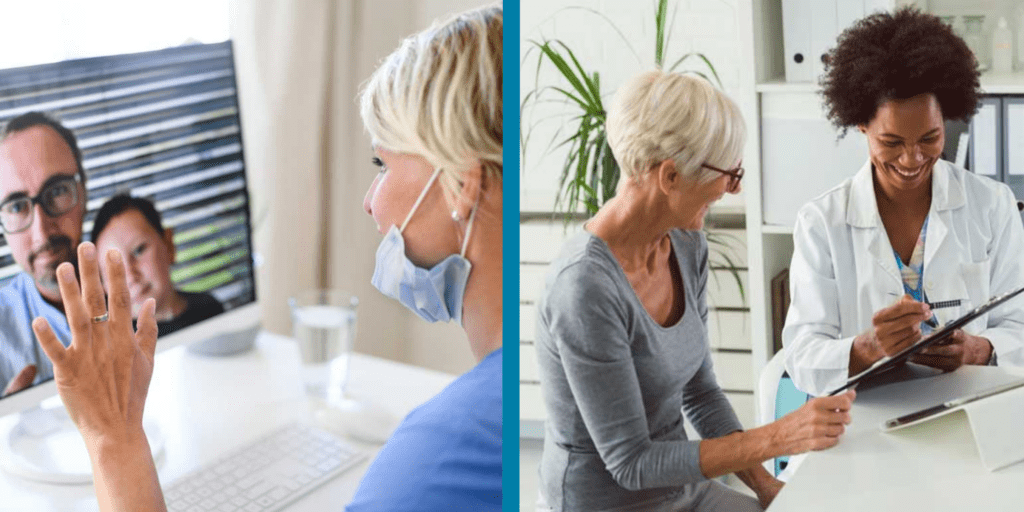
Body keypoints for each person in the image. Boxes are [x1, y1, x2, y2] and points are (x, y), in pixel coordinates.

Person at [29, 4, 502, 511]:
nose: (370, 200)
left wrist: (111, 437)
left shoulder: (440, 459)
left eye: (381, 164)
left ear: (463, 184)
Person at [535, 70, 855, 512]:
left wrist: (764, 487)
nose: (734, 188)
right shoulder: (584, 288)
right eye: (729, 173)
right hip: (607, 503)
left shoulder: (684, 244)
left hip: (681, 488)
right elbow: (631, 463)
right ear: (670, 176)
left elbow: (701, 393)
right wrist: (775, 438)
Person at [782, 7, 1024, 397]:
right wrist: (867, 348)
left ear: (948, 119)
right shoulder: (822, 223)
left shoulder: (992, 205)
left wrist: (980, 349)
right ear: (862, 124)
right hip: (865, 415)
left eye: (929, 138)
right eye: (891, 142)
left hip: (974, 405)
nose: (911, 159)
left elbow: (1019, 325)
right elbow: (801, 355)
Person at [0, 112, 86, 396]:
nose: (42, 231)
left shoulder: (139, 285)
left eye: (57, 190)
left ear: (82, 192)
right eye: (16, 206)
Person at [91, 194, 224, 336]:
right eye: (113, 268)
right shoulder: (112, 350)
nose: (130, 276)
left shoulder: (209, 309)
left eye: (139, 250)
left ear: (168, 245)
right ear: (103, 284)